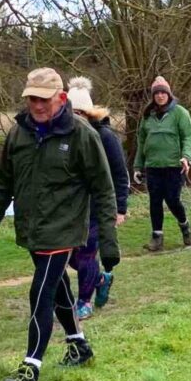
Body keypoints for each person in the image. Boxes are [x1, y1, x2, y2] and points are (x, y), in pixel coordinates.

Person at [0, 68, 119, 381]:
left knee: (40, 291)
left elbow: (104, 188)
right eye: (31, 99)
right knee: (57, 288)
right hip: (32, 230)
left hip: (65, 228)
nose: (36, 106)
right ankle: (78, 345)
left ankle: (30, 369)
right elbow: (2, 184)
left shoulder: (82, 135)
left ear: (61, 98)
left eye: (43, 99)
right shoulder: (18, 134)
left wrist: (108, 241)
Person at [66, 77, 129, 319]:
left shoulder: (105, 136)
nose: (75, 116)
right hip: (71, 207)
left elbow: (120, 174)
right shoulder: (64, 135)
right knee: (71, 257)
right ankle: (100, 279)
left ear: (89, 111)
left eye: (79, 111)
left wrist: (119, 208)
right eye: (71, 111)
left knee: (86, 254)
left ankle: (84, 302)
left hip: (97, 206)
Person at [133, 76, 191, 252]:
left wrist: (186, 156)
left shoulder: (180, 113)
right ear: (153, 96)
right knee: (155, 201)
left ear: (169, 94)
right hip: (153, 166)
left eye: (163, 93)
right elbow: (141, 142)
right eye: (157, 93)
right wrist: (138, 167)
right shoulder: (147, 116)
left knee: (172, 199)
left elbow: (188, 137)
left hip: (174, 165)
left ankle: (185, 227)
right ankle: (157, 237)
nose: (160, 96)